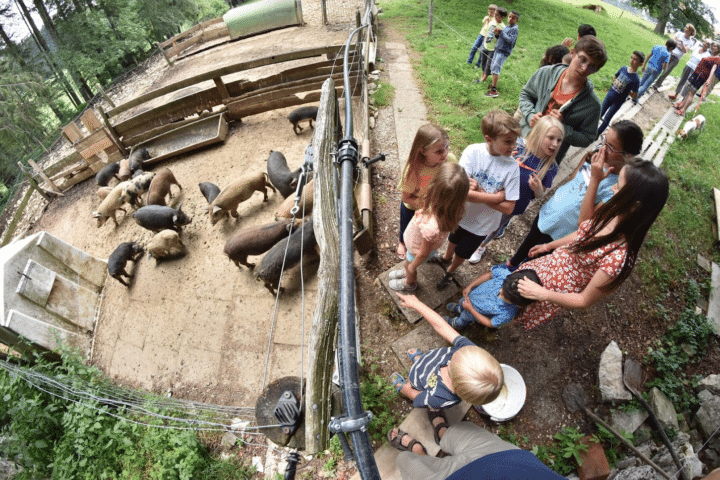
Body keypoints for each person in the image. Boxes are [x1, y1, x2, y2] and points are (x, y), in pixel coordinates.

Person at [514, 159, 669, 329]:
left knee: (506, 313)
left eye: (618, 187)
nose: (612, 188)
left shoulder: (620, 258)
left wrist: (542, 293)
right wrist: (549, 246)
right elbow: (583, 233)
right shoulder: (611, 215)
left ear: (634, 206)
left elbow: (584, 300)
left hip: (547, 292)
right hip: (544, 268)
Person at [506, 120, 643, 271]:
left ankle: (512, 282)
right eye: (604, 140)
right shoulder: (594, 157)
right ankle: (510, 266)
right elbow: (573, 178)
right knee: (525, 246)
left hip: (561, 234)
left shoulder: (618, 187)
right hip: (549, 213)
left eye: (610, 147)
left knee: (531, 263)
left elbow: (586, 224)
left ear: (628, 155)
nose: (602, 148)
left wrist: (595, 180)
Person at [435, 110, 521, 290]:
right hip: (461, 214)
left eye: (514, 140)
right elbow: (461, 192)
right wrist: (496, 197)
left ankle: (450, 271)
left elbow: (509, 209)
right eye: (508, 141)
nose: (514, 146)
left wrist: (479, 191)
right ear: (489, 139)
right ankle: (445, 257)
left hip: (482, 225)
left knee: (462, 252)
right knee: (453, 238)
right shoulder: (473, 152)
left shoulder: (512, 168)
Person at [469, 115, 563, 263]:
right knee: (483, 214)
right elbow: (493, 157)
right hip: (494, 190)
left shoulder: (551, 167)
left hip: (515, 203)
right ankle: (471, 232)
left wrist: (538, 189)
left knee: (495, 225)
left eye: (559, 140)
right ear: (538, 134)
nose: (555, 144)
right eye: (550, 138)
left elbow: (539, 195)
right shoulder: (517, 145)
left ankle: (481, 245)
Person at [390, 291, 503, 413]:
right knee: (426, 360)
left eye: (454, 357)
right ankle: (419, 359)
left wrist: (408, 391)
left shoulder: (441, 398)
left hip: (418, 380)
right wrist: (417, 304)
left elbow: (417, 398)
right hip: (431, 358)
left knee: (412, 380)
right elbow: (442, 326)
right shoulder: (471, 352)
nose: (459, 350)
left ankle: (401, 388)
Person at [518, 35, 608, 163]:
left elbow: (587, 138)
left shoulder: (592, 105)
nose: (584, 68)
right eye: (582, 59)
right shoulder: (546, 73)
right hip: (523, 138)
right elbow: (526, 95)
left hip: (547, 159)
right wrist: (530, 115)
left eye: (592, 66)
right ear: (572, 53)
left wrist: (563, 128)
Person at [389, 163, 469, 291]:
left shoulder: (432, 227)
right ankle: (407, 272)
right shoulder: (451, 210)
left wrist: (412, 267)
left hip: (416, 250)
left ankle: (409, 282)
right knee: (408, 264)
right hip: (421, 245)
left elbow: (423, 253)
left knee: (408, 265)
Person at [390, 421, 565, 480]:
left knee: (405, 461)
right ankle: (443, 435)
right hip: (508, 460)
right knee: (462, 430)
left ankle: (421, 455)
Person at [395, 124, 455, 259]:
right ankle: (402, 242)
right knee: (406, 229)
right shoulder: (413, 170)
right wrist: (429, 207)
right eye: (439, 151)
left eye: (447, 147)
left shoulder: (450, 160)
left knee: (426, 232)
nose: (445, 154)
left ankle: (422, 249)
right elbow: (406, 198)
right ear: (423, 151)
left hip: (435, 206)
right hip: (413, 207)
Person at [443, 266, 542, 329]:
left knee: (464, 317)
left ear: (518, 304)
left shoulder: (507, 313)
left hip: (474, 313)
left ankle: (457, 323)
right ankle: (460, 308)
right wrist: (470, 286)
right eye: (503, 287)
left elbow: (490, 323)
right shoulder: (506, 276)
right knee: (462, 302)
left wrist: (471, 310)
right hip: (470, 297)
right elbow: (490, 275)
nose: (500, 291)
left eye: (504, 296)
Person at [597, 51, 643, 135]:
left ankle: (597, 133)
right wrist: (617, 83)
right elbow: (615, 77)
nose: (632, 61)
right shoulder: (623, 68)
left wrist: (627, 91)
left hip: (618, 101)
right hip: (609, 95)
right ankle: (590, 129)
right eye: (631, 58)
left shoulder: (636, 79)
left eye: (635, 60)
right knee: (600, 112)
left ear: (640, 64)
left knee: (607, 118)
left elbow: (635, 96)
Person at [486, 10, 519, 98]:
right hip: (498, 49)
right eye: (509, 16)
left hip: (503, 52)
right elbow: (501, 37)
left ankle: (494, 90)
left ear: (517, 20)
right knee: (493, 67)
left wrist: (502, 32)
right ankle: (493, 83)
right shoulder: (507, 27)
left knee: (496, 68)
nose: (511, 19)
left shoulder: (514, 29)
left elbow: (510, 41)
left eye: (513, 18)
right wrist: (497, 34)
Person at [653, 24, 696, 90]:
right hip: (670, 53)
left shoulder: (690, 42)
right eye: (686, 27)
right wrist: (679, 45)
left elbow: (685, 51)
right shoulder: (679, 34)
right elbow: (671, 41)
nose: (685, 28)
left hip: (676, 58)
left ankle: (657, 85)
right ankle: (651, 80)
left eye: (687, 28)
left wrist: (681, 43)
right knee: (660, 66)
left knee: (667, 71)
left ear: (690, 31)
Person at [477, 7, 507, 84]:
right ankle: (482, 77)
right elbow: (487, 30)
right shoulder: (492, 21)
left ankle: (482, 80)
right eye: (494, 14)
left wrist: (497, 34)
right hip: (485, 46)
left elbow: (501, 40)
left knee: (488, 65)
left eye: (496, 15)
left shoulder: (503, 27)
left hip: (492, 49)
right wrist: (484, 41)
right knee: (483, 63)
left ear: (502, 17)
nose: (494, 16)